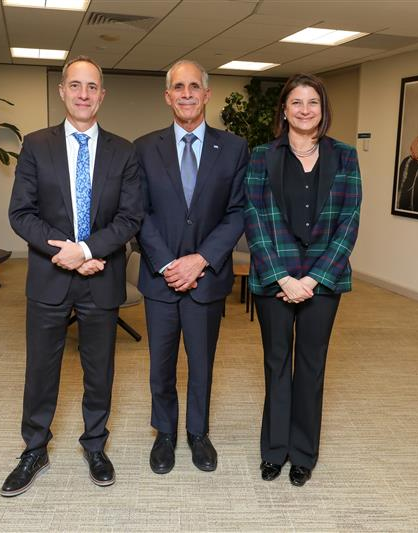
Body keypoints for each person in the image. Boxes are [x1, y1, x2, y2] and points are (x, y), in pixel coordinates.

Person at [2, 56, 142, 496]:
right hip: (50, 276)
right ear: (62, 91)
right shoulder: (35, 145)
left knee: (99, 370)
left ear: (102, 95)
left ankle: (95, 445)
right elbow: (21, 214)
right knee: (41, 370)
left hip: (102, 275)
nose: (84, 94)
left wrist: (87, 251)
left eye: (92, 87)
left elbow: (129, 217)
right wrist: (67, 253)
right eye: (76, 85)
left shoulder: (124, 151)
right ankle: (34, 449)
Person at [244, 73, 361, 487]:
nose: (305, 109)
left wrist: (313, 279)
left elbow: (349, 222)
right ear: (284, 109)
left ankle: (304, 454)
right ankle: (275, 450)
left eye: (313, 102)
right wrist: (281, 276)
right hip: (274, 277)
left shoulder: (344, 156)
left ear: (323, 109)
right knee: (276, 364)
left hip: (323, 281)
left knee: (311, 367)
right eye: (296, 102)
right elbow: (255, 218)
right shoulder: (262, 156)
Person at [134, 60, 249, 474]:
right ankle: (164, 433)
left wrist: (200, 260)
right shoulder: (144, 148)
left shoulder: (234, 148)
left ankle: (198, 433)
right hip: (160, 278)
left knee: (201, 363)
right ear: (168, 96)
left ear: (207, 94)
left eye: (194, 86)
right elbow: (138, 213)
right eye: (179, 87)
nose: (186, 94)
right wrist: (168, 263)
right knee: (161, 364)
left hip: (207, 278)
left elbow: (237, 212)